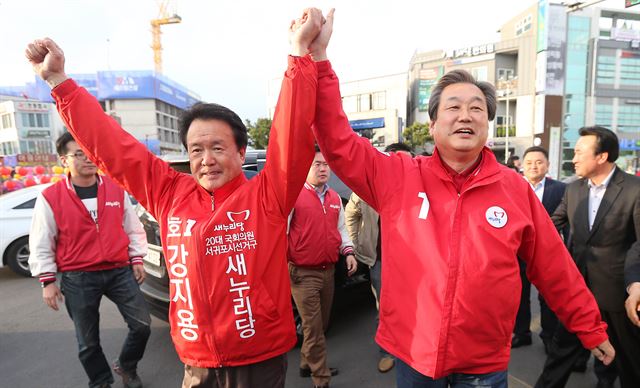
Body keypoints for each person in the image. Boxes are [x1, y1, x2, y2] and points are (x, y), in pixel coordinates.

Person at [308, 11, 614, 387]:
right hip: (415, 356)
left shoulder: (514, 188)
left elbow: (554, 267)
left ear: (488, 124)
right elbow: (337, 140)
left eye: (476, 109)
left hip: (484, 363)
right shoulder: (399, 175)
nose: (465, 115)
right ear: (433, 124)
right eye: (453, 107)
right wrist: (318, 60)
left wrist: (590, 327)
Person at [26, 9, 324, 388]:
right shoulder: (169, 192)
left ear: (240, 150)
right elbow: (112, 147)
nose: (206, 159)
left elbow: (291, 133)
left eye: (218, 147)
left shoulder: (267, 195)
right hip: (196, 361)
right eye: (196, 149)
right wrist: (58, 81)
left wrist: (299, 54)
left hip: (258, 357)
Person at [28, 132, 151, 388]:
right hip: (78, 276)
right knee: (88, 341)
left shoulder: (115, 188)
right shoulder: (51, 196)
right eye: (79, 154)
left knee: (142, 326)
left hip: (119, 270)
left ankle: (127, 365)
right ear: (64, 160)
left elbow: (132, 226)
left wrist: (137, 258)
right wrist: (47, 281)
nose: (88, 159)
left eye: (90, 152)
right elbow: (41, 240)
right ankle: (101, 382)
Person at [535, 126, 640, 388]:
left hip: (618, 294)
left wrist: (635, 283)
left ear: (602, 156)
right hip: (578, 291)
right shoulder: (573, 190)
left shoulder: (633, 189)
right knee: (560, 355)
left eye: (580, 152)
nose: (574, 158)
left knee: (630, 363)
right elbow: (549, 225)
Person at [287, 146, 357, 388]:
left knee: (322, 324)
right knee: (314, 327)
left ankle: (307, 363)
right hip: (302, 273)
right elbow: (281, 234)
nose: (323, 168)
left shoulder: (335, 197)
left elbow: (341, 230)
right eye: (317, 164)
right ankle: (321, 377)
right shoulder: (293, 197)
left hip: (329, 270)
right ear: (304, 168)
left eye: (325, 164)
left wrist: (348, 252)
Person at [345, 142, 413, 374]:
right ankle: (387, 351)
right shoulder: (369, 186)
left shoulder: (421, 188)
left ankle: (412, 346)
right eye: (395, 159)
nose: (400, 165)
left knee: (416, 306)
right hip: (380, 260)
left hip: (414, 262)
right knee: (384, 307)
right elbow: (350, 214)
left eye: (405, 160)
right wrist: (356, 242)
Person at [511, 146, 564, 352]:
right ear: (522, 166)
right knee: (519, 295)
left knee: (547, 297)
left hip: (546, 253)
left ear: (548, 165)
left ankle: (549, 335)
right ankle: (522, 333)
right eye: (530, 162)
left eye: (539, 162)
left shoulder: (560, 189)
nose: (534, 166)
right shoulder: (511, 186)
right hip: (517, 252)